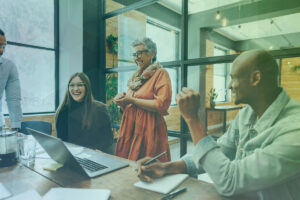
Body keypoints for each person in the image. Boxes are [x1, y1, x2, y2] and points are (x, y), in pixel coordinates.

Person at [137, 50, 300, 199]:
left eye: (233, 77)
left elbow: (230, 181)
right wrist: (166, 167)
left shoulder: (294, 131)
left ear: (255, 78)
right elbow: (218, 153)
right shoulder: (246, 114)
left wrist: (193, 120)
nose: (229, 85)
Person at [114, 37, 172, 161]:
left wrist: (132, 100)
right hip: (130, 127)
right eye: (134, 54)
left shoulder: (160, 73)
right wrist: (122, 102)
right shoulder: (136, 77)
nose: (136, 58)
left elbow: (161, 105)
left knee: (148, 166)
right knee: (128, 166)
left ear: (152, 54)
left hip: (149, 129)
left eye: (139, 53)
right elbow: (129, 106)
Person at [55, 72, 113, 153]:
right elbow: (61, 141)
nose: (75, 89)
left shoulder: (100, 109)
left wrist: (98, 152)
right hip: (71, 156)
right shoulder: (63, 110)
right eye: (72, 85)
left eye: (80, 85)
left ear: (87, 87)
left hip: (93, 156)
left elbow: (108, 139)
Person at [0, 28, 22, 131]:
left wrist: (15, 127)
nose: (1, 50)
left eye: (3, 46)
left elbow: (13, 99)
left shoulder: (9, 67)